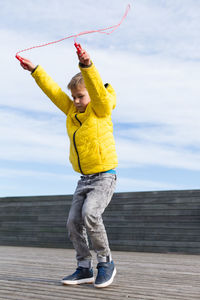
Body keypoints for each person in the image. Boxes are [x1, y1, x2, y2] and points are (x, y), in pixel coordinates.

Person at [18, 45, 118, 288]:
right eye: (73, 97)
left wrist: (86, 65)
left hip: (104, 176)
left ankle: (105, 263)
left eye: (80, 96)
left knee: (90, 214)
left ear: (92, 95)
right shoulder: (72, 111)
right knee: (73, 221)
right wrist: (35, 70)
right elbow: (53, 92)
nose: (76, 101)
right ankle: (84, 268)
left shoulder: (101, 110)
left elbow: (96, 90)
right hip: (84, 178)